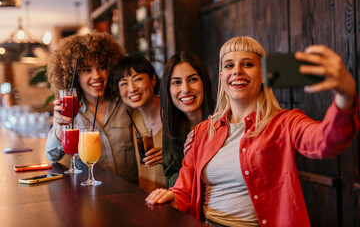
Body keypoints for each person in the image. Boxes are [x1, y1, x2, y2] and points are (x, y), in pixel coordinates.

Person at [146, 36, 359, 226]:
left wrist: (345, 96)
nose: (237, 70)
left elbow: (327, 142)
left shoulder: (284, 123)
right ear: (221, 76)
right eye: (229, 65)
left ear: (264, 74)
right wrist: (171, 198)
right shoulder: (203, 131)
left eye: (247, 64)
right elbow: (184, 190)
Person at [45, 32, 138, 184]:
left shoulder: (126, 103)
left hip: (131, 193)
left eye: (102, 67)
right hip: (91, 196)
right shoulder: (70, 111)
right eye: (87, 70)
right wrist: (60, 128)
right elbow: (52, 156)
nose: (97, 75)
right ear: (72, 75)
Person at [160, 51, 215, 188]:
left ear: (204, 83)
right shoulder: (172, 125)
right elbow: (171, 177)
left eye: (193, 79)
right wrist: (189, 164)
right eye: (177, 82)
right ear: (168, 90)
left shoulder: (223, 119)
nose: (185, 89)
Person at [115, 54, 166, 193]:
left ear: (153, 79)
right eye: (124, 83)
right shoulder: (132, 117)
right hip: (147, 202)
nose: (132, 89)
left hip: (176, 202)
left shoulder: (172, 114)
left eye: (137, 79)